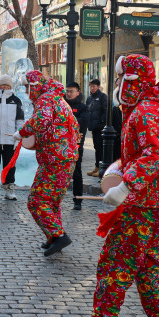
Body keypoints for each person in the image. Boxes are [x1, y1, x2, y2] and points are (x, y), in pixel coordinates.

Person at [67, 54, 159, 317]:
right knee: (150, 264)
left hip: (147, 204)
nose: (116, 83)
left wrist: (126, 186)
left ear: (131, 81)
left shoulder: (145, 112)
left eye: (119, 77)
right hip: (158, 201)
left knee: (116, 262)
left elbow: (155, 155)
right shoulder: (146, 108)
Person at [14, 70, 79, 257]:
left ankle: (58, 236)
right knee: (52, 201)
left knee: (36, 200)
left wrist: (22, 132)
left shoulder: (45, 99)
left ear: (35, 86)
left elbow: (42, 120)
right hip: (66, 157)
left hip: (55, 159)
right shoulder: (57, 99)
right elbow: (71, 126)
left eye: (28, 87)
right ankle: (53, 237)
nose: (26, 91)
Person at [65, 82, 90, 211]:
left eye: (71, 91)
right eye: (67, 91)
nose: (69, 94)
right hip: (60, 144)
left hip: (76, 144)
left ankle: (78, 199)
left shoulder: (83, 107)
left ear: (78, 92)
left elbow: (83, 123)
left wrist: (67, 121)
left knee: (77, 173)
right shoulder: (61, 105)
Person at [86, 78, 109, 177]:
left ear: (98, 87)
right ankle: (96, 166)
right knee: (96, 147)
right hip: (93, 127)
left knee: (100, 147)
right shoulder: (89, 98)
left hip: (101, 127)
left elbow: (106, 111)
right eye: (91, 86)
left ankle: (101, 168)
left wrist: (101, 121)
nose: (92, 88)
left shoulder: (103, 97)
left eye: (94, 86)